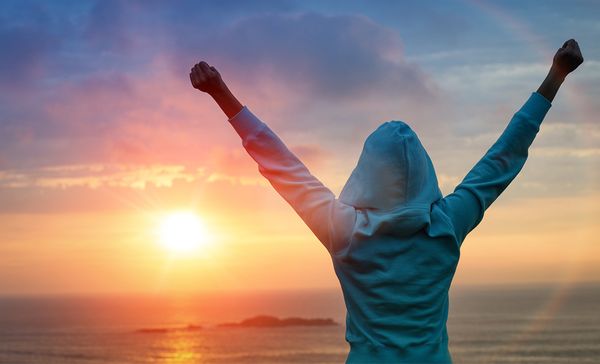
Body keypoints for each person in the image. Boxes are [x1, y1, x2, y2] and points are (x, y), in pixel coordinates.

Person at [189, 39, 583, 363]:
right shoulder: (447, 224)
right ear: (425, 170)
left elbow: (283, 167)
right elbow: (502, 159)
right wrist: (556, 76)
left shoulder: (343, 230)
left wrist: (220, 94)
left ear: (365, 172)